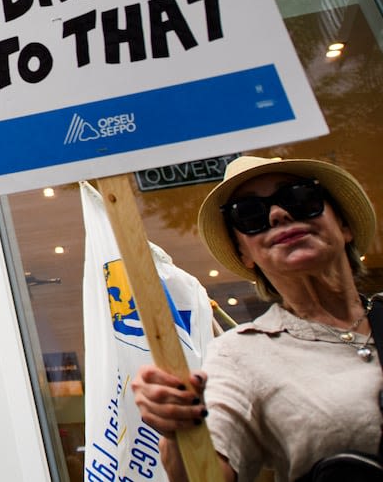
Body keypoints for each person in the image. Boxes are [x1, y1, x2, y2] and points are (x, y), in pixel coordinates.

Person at [131, 155, 380, 482]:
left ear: (344, 226)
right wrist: (177, 429)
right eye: (249, 214)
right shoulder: (238, 354)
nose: (279, 214)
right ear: (244, 254)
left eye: (299, 196)